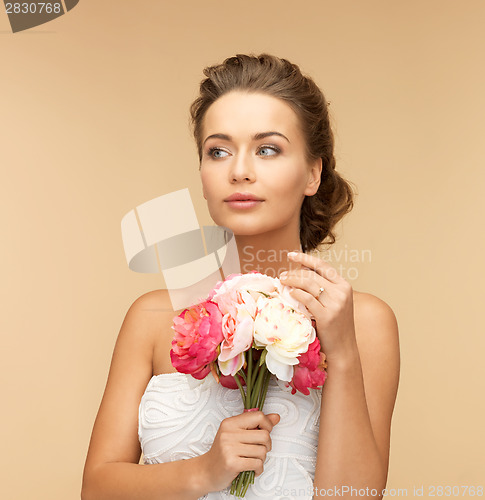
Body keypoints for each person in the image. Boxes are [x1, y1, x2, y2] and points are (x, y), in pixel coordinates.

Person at [81, 53, 400, 500]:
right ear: (202, 171)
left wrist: (342, 352)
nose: (239, 170)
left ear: (313, 172)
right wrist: (203, 473)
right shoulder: (153, 317)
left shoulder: (364, 323)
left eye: (267, 149)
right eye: (218, 150)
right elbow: (96, 489)